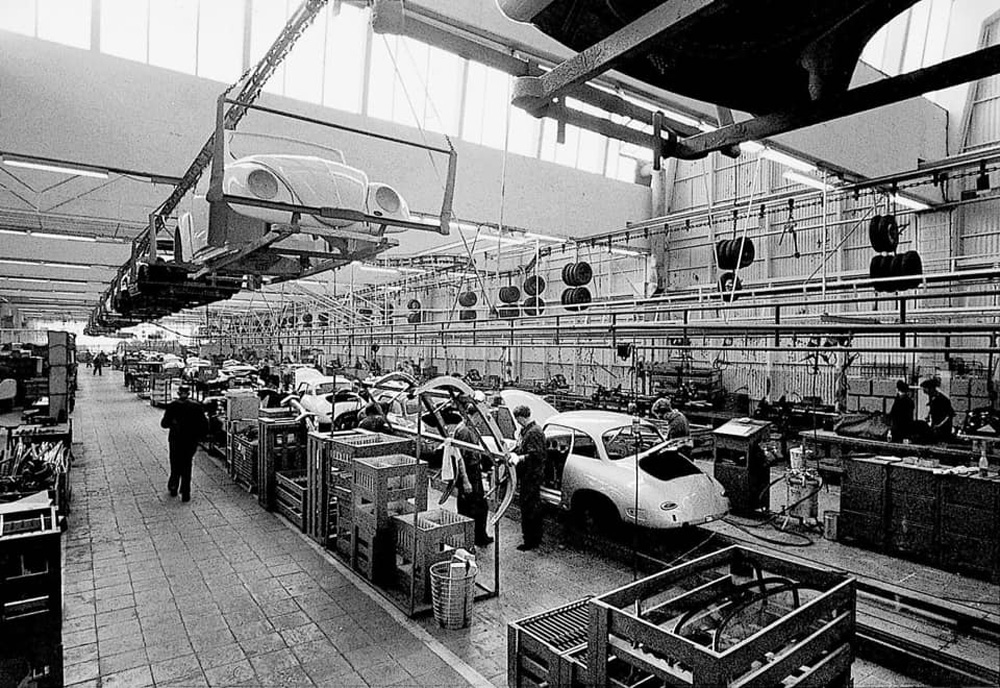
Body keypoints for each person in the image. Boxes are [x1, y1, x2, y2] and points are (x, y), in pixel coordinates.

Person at [452, 402, 494, 547]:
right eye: (481, 416)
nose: (483, 420)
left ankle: (477, 537)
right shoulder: (464, 431)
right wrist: (465, 481)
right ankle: (473, 539)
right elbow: (460, 459)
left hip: (474, 472)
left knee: (477, 507)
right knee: (473, 508)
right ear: (475, 414)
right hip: (468, 474)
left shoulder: (470, 428)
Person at [159, 385, 208, 502]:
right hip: (190, 441)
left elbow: (164, 424)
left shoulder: (172, 406)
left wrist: (173, 423)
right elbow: (204, 425)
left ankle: (173, 486)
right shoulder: (196, 406)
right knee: (187, 465)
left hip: (176, 440)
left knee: (175, 464)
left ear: (178, 393)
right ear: (189, 393)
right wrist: (199, 436)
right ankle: (186, 492)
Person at [512, 404, 546, 551]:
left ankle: (531, 540)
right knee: (530, 506)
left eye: (517, 419)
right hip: (529, 474)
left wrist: (520, 458)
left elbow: (536, 455)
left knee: (529, 507)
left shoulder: (534, 432)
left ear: (521, 417)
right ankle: (533, 537)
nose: (517, 422)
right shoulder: (528, 431)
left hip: (532, 475)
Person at [921, 378, 955, 442]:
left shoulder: (943, 399)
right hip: (935, 426)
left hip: (943, 429)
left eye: (925, 389)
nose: (924, 392)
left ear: (931, 389)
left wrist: (939, 425)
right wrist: (928, 416)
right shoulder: (932, 397)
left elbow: (949, 415)